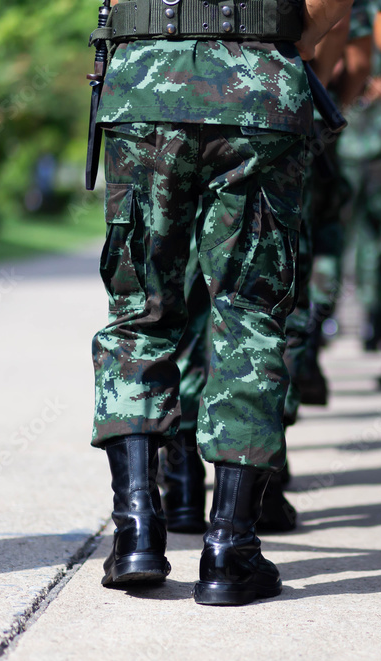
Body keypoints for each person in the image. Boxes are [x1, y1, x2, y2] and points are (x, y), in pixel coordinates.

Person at [88, 0, 352, 606]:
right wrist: (294, 35)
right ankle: (230, 550)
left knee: (138, 314)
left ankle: (137, 535)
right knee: (249, 316)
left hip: (145, 83)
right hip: (256, 85)